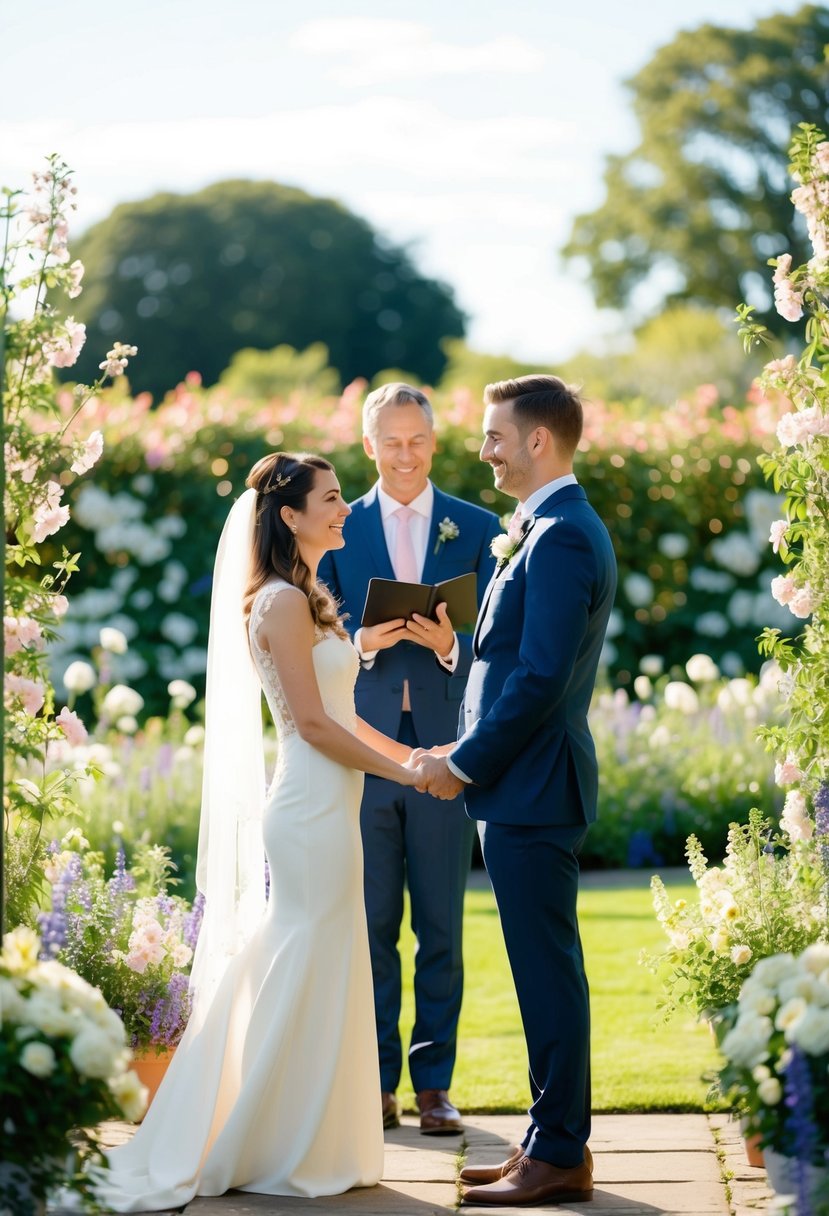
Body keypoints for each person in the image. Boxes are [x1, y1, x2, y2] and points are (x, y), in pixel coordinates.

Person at [98, 452, 424, 1210]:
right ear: (289, 516)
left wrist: (410, 753)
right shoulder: (277, 601)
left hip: (330, 806)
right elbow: (311, 725)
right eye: (333, 499)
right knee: (300, 958)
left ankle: (308, 1138)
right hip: (309, 811)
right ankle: (256, 1135)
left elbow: (339, 714)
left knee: (320, 961)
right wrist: (406, 775)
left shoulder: (306, 596)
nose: (346, 509)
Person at [414, 376, 617, 1207]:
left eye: (496, 436)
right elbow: (508, 663)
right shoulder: (538, 530)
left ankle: (560, 1154)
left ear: (539, 441)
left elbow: (539, 680)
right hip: (519, 788)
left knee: (546, 974)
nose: (484, 450)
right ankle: (542, 1141)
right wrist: (457, 681)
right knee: (541, 971)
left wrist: (462, 762)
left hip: (532, 790)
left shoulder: (562, 536)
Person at [318, 383, 500, 1134]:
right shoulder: (334, 526)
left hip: (442, 757)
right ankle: (376, 1082)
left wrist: (447, 644)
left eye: (416, 440)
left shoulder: (479, 527)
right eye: (389, 441)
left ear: (434, 442)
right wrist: (365, 640)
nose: (403, 454)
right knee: (368, 928)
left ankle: (434, 1086)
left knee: (441, 926)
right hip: (357, 755)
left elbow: (495, 646)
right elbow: (308, 638)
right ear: (368, 447)